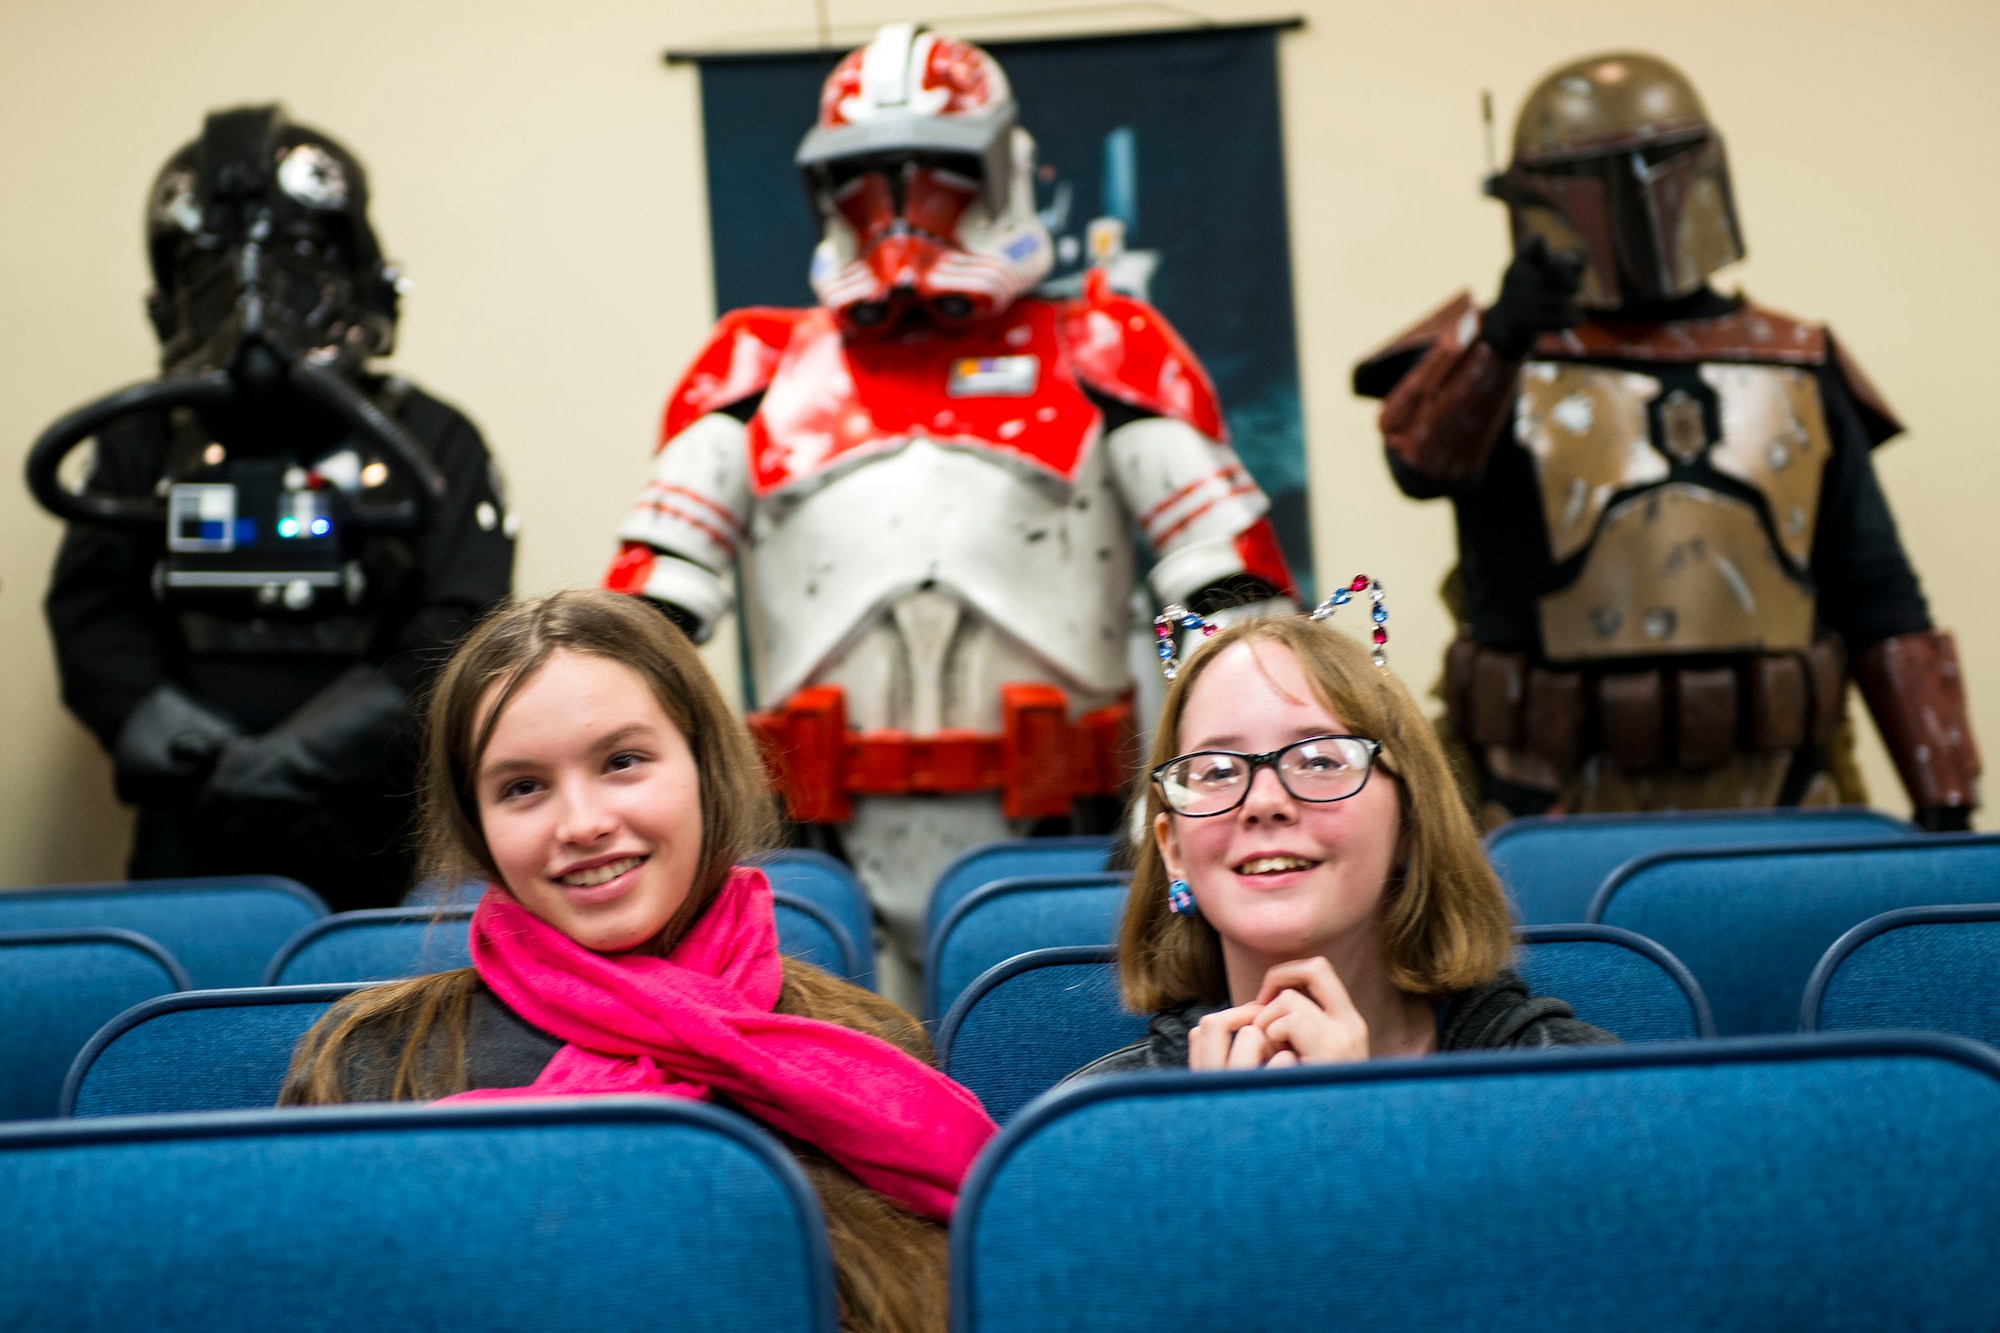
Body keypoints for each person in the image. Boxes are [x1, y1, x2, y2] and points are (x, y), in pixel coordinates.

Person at [602, 21, 1295, 1000]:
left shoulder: (1105, 346)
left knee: (1064, 1062)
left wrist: (1202, 792)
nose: (898, 216)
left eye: (937, 174)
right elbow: (637, 638)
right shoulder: (751, 366)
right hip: (813, 860)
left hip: (1069, 846)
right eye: (864, 180)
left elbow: (1237, 603)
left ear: (1003, 172)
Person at [280, 589, 994, 1333]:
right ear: (480, 825)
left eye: (623, 761)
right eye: (523, 787)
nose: (584, 823)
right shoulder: (366, 1067)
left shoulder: (872, 1048)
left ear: (705, 769)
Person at [1351, 52, 1978, 830]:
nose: (1634, 206)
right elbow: (1419, 464)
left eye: (1658, 169)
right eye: (1595, 179)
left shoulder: (1793, 361)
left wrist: (1945, 805)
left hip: (1783, 788)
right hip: (1546, 803)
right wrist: (1504, 340)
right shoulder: (1495, 360)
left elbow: (1877, 591)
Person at [36, 104, 514, 908]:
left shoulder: (432, 438)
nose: (251, 288)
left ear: (359, 272)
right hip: (191, 821)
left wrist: (309, 753)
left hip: (383, 826)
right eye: (210, 261)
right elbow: (91, 619)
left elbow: (462, 624)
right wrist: (204, 754)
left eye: (295, 252)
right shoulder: (140, 439)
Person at [1073, 608, 1612, 1078]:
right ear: (1171, 850)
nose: (1263, 801)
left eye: (1319, 761)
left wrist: (1354, 1126)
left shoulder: (1571, 1088)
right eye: (1216, 771)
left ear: (1408, 824)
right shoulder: (1088, 1135)